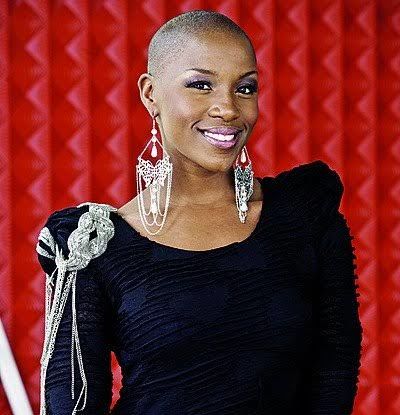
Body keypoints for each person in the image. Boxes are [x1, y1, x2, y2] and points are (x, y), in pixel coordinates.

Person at [35, 9, 363, 415]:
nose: (228, 108)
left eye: (245, 88)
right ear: (150, 94)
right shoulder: (93, 246)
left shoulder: (305, 217)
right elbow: (72, 404)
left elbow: (335, 371)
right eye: (201, 85)